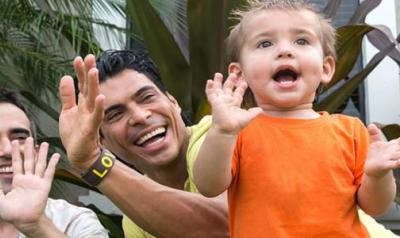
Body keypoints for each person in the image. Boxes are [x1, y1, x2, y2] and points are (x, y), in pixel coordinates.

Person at [192, 0, 400, 237]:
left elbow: (376, 206)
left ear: (326, 68)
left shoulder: (350, 131)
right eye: (265, 43)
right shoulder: (237, 131)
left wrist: (376, 175)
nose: (284, 50)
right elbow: (208, 186)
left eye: (301, 41)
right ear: (239, 73)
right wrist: (222, 132)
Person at [58, 50, 228, 238]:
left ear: (173, 101)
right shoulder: (135, 220)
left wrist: (93, 162)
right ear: (101, 142)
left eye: (147, 97)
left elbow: (224, 227)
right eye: (115, 115)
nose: (140, 116)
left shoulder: (219, 136)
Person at [0, 88, 109, 238]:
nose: (7, 150)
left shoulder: (73, 222)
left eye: (19, 137)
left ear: (37, 153)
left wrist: (36, 226)